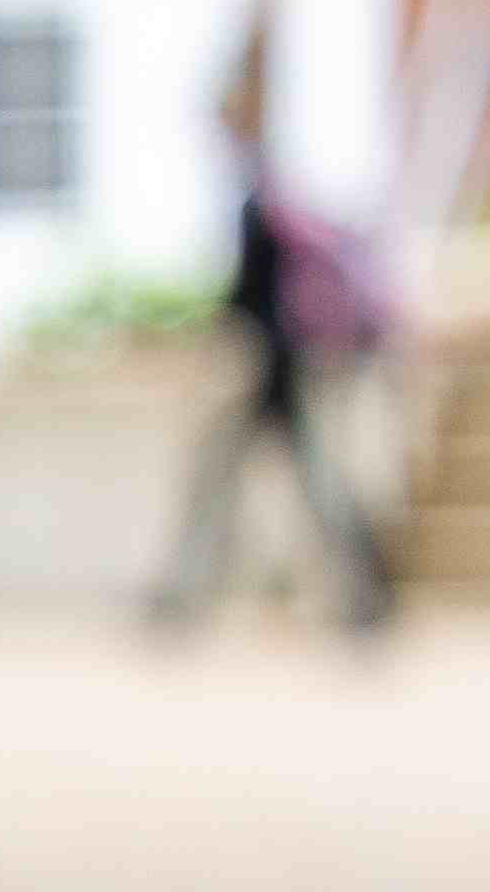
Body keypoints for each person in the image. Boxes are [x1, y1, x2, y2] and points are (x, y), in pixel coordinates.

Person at [147, 54, 396, 635]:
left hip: (276, 362)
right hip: (286, 361)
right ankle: (362, 592)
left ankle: (187, 597)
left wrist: (212, 333)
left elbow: (250, 292)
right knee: (284, 480)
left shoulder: (258, 196)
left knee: (243, 478)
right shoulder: (271, 189)